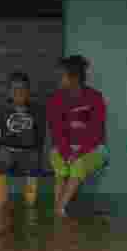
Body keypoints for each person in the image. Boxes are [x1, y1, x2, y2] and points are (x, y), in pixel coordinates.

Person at [46, 55, 108, 218]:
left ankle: (59, 209)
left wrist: (78, 154)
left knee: (78, 165)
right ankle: (59, 208)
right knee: (59, 164)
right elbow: (57, 133)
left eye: (61, 75)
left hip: (93, 148)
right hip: (64, 147)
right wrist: (67, 153)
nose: (57, 79)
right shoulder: (55, 100)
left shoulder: (95, 98)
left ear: (74, 78)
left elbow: (96, 134)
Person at [0, 72, 47, 218]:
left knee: (34, 160)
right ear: (9, 92)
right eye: (14, 89)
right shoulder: (1, 109)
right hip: (7, 150)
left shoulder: (36, 110)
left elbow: (41, 136)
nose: (18, 93)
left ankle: (30, 205)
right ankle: (1, 204)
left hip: (28, 151)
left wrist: (34, 145)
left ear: (28, 91)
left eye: (22, 89)